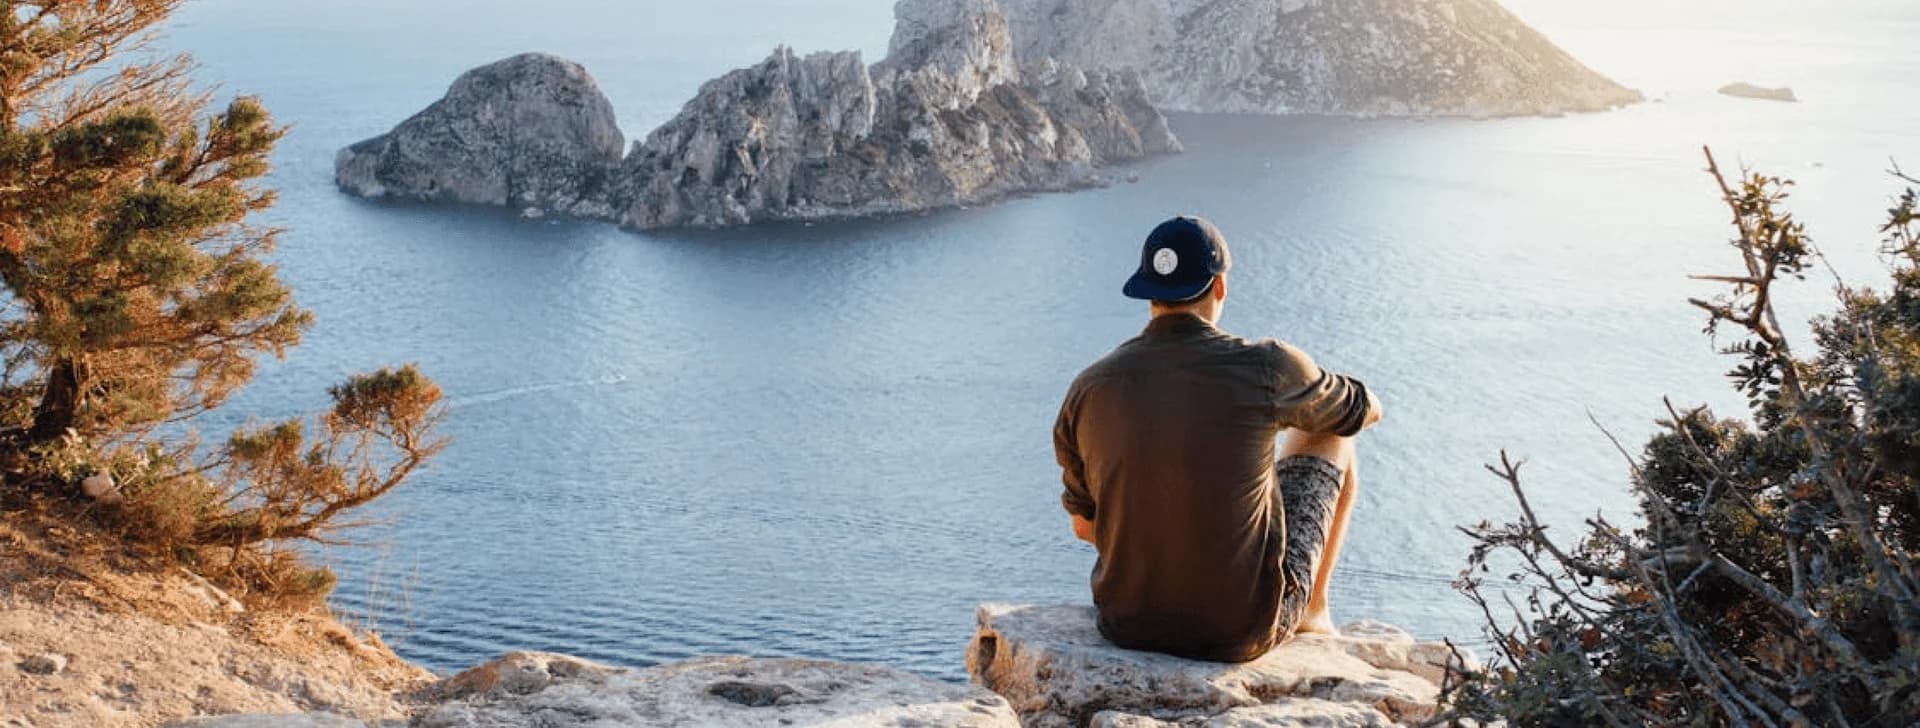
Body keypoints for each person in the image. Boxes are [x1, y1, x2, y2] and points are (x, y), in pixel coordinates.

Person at [1052, 216, 1382, 663]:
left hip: (1127, 623)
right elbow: (1361, 411)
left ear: (1148, 293)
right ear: (1219, 286)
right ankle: (1313, 612)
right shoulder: (1267, 366)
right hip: (1238, 631)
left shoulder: (1088, 387)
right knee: (1332, 433)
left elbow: (1084, 526)